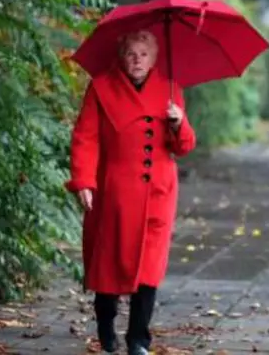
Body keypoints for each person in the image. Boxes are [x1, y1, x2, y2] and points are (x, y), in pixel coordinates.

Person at [66, 30, 197, 355]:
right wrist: (83, 181)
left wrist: (179, 123)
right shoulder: (102, 88)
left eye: (143, 54)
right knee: (109, 266)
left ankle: (138, 339)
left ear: (154, 59)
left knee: (149, 269)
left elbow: (183, 147)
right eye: (130, 54)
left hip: (158, 193)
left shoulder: (171, 89)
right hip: (115, 192)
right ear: (121, 57)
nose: (137, 60)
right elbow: (86, 138)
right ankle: (105, 323)